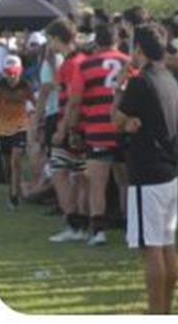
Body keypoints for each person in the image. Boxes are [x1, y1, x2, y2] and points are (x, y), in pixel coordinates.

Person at [113, 23, 178, 314]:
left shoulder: (141, 81)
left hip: (147, 172)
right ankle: (164, 310)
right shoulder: (169, 78)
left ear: (138, 49)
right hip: (168, 170)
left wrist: (119, 84)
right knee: (167, 245)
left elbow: (116, 118)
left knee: (151, 248)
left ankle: (156, 312)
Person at [63, 21, 130, 245]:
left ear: (96, 41)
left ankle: (98, 231)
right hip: (123, 129)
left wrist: (73, 129)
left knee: (97, 184)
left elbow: (74, 102)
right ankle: (129, 227)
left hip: (97, 129)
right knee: (124, 181)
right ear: (117, 40)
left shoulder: (86, 65)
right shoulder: (128, 63)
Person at [45, 18, 91, 241]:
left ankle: (73, 222)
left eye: (49, 40)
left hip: (72, 125)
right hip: (83, 125)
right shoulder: (81, 59)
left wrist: (63, 130)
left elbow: (73, 99)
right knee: (80, 175)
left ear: (56, 38)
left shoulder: (72, 64)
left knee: (59, 172)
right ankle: (80, 223)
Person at [0, 55, 34, 210]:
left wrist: (33, 122)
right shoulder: (0, 86)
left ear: (20, 71)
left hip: (20, 127)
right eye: (8, 72)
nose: (11, 76)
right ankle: (14, 186)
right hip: (3, 128)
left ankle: (14, 196)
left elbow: (35, 105)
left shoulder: (26, 86)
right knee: (7, 164)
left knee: (16, 160)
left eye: (14, 72)